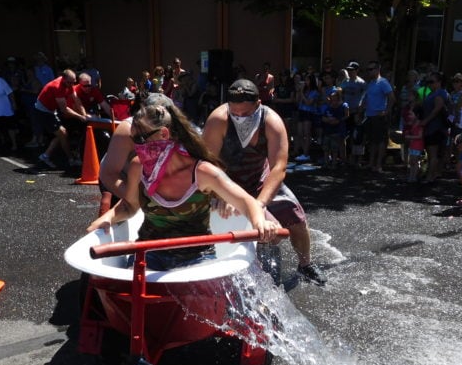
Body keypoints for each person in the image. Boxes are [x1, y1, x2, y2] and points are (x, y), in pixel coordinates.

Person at [87, 102, 279, 270]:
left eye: (140, 139)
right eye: (133, 140)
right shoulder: (138, 166)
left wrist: (259, 223)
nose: (136, 147)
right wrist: (106, 219)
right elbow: (130, 206)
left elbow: (246, 201)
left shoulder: (202, 172)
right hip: (149, 252)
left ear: (164, 134)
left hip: (197, 256)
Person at [203, 79, 327, 285]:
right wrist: (220, 194)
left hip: (261, 179)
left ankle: (305, 264)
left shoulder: (271, 121)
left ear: (258, 104)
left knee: (296, 218)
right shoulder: (218, 120)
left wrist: (259, 205)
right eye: (235, 114)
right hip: (227, 182)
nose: (240, 118)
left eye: (246, 114)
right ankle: (235, 272)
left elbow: (279, 168)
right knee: (231, 221)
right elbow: (208, 164)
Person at [34, 69, 88, 168]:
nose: (71, 85)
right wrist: (80, 117)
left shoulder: (69, 84)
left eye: (73, 82)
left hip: (51, 110)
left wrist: (85, 115)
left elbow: (77, 100)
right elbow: (64, 110)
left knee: (61, 134)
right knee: (62, 133)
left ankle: (45, 156)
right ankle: (71, 160)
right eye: (69, 82)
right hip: (43, 111)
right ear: (63, 79)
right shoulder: (57, 87)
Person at [361, 61, 395, 173]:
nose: (369, 72)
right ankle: (371, 163)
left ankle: (379, 164)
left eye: (371, 69)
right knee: (372, 141)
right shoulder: (371, 83)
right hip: (370, 116)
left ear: (377, 69)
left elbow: (392, 98)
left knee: (380, 141)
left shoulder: (383, 82)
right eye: (368, 69)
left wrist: (386, 111)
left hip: (379, 116)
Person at [419, 71, 448, 182]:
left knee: (433, 154)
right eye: (428, 81)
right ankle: (431, 174)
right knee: (430, 153)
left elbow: (437, 109)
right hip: (429, 127)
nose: (429, 84)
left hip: (436, 128)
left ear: (439, 82)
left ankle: (430, 176)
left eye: (432, 81)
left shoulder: (440, 93)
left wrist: (426, 121)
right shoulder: (432, 93)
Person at [320, 87, 349, 168]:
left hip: (338, 130)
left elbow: (346, 115)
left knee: (336, 147)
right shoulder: (329, 108)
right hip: (328, 130)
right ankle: (327, 162)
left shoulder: (343, 105)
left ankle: (337, 162)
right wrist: (328, 120)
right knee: (327, 147)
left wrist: (338, 120)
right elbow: (323, 117)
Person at [293, 73, 319, 163]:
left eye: (307, 80)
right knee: (300, 133)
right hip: (301, 111)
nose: (306, 82)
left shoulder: (314, 92)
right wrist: (298, 92)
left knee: (307, 133)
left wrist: (301, 93)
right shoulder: (304, 90)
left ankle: (306, 153)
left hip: (309, 112)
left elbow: (308, 102)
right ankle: (304, 152)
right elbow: (298, 102)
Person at [403, 105, 425, 183]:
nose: (409, 116)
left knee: (415, 161)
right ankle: (411, 175)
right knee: (411, 161)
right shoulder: (412, 124)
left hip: (417, 145)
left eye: (411, 114)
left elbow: (420, 136)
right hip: (412, 145)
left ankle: (414, 176)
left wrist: (410, 136)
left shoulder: (419, 125)